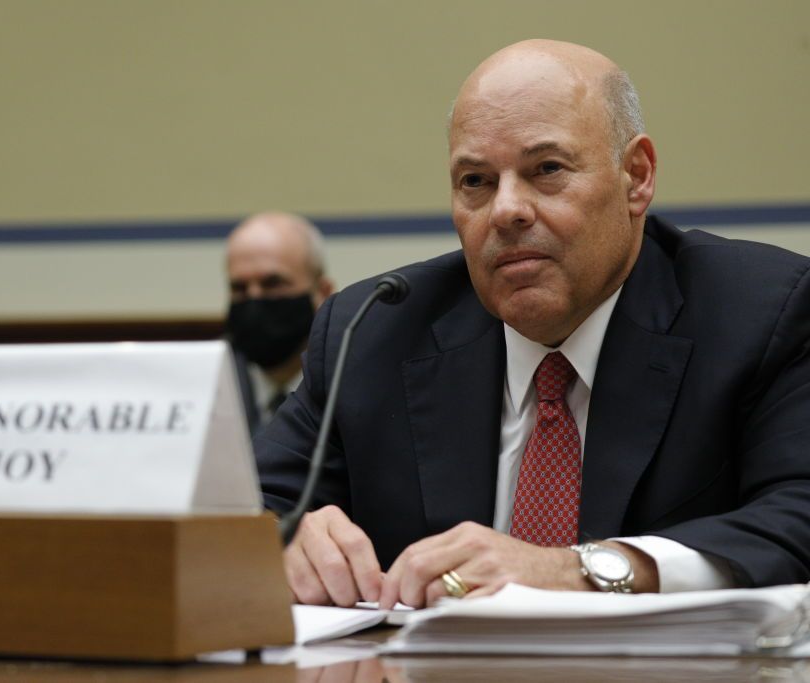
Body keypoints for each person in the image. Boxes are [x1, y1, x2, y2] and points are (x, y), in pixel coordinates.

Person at [256, 39, 810, 609]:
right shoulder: (374, 330)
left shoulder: (760, 312)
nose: (506, 210)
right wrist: (283, 539)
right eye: (476, 181)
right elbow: (241, 508)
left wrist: (580, 570)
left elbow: (798, 517)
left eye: (546, 169)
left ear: (636, 176)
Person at [224, 212, 334, 435]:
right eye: (240, 288)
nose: (254, 299)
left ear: (322, 293)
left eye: (273, 284)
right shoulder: (206, 387)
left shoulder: (354, 388)